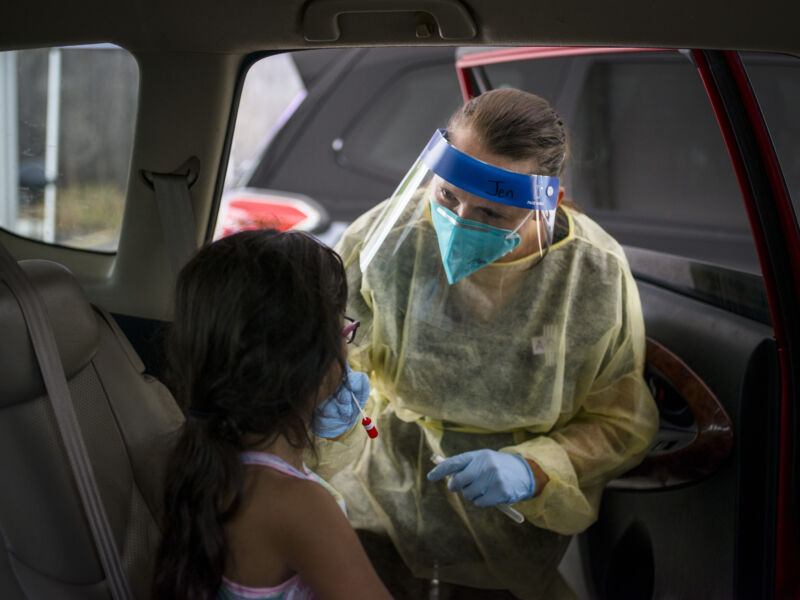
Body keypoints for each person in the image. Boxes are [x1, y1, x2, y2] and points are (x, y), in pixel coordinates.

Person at [311, 88, 660, 599]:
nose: (458, 222)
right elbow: (332, 343)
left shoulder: (592, 275)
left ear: (550, 203)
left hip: (508, 531)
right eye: (448, 196)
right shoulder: (391, 235)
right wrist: (328, 389)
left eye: (493, 215)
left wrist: (534, 467)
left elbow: (619, 422)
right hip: (379, 494)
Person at [151, 230, 392, 600]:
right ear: (306, 359)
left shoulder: (204, 454)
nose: (348, 342)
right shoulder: (299, 506)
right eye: (343, 327)